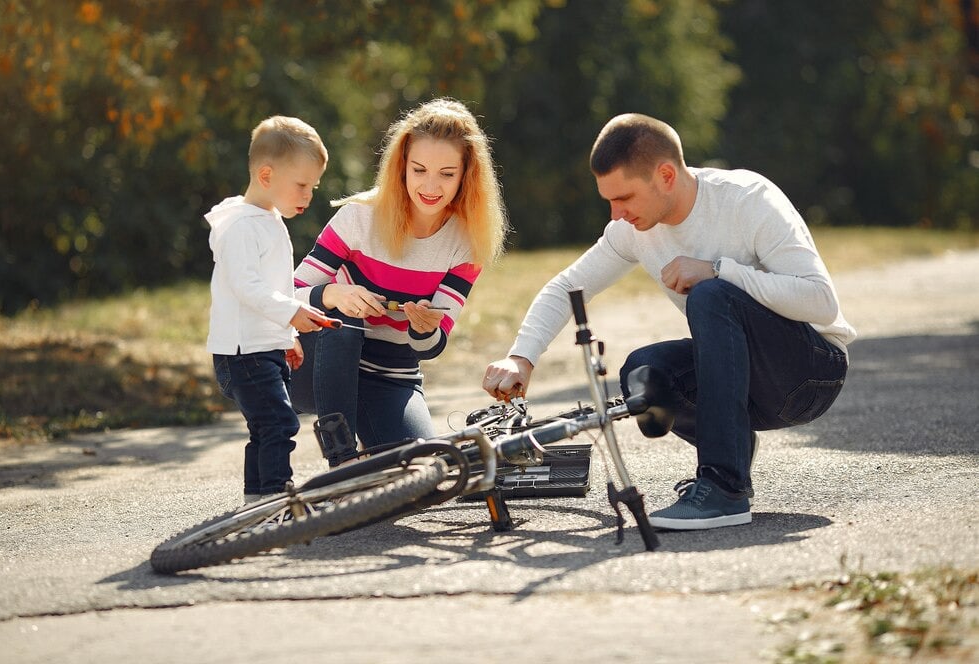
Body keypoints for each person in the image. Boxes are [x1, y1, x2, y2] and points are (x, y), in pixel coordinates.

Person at [482, 113, 856, 531]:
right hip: (752, 387)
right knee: (644, 372)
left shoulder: (748, 199)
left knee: (712, 294)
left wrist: (718, 269)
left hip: (811, 375)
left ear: (665, 175)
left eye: (624, 198)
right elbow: (567, 287)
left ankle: (724, 490)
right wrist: (522, 358)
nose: (616, 213)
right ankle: (729, 448)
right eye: (608, 200)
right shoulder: (633, 228)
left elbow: (821, 302)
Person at [292, 98, 507, 466]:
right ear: (402, 167)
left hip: (392, 375)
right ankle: (342, 461)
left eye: (447, 173)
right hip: (317, 366)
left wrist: (424, 329)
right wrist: (331, 293)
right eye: (419, 169)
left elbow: (432, 346)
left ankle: (372, 452)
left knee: (426, 470)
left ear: (466, 175)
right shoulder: (359, 217)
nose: (430, 185)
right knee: (344, 321)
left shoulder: (468, 243)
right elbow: (283, 297)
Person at [206, 115, 334, 505]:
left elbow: (272, 287)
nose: (308, 195)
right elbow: (248, 287)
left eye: (313, 187)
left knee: (265, 427)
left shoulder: (268, 219)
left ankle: (256, 503)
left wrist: (287, 336)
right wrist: (292, 313)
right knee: (279, 423)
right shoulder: (242, 226)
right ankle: (276, 499)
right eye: (301, 185)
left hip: (263, 346)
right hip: (243, 353)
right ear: (266, 175)